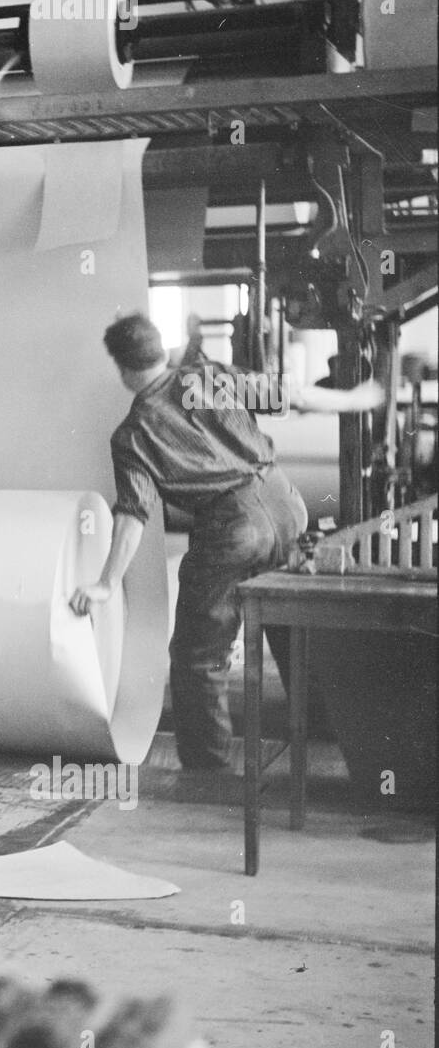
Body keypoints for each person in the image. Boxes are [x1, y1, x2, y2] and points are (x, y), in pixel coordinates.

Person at [69, 312, 384, 771]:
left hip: (234, 526)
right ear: (163, 350)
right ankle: (323, 739)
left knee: (199, 656)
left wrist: (104, 583)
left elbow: (133, 515)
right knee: (289, 623)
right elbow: (291, 393)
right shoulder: (206, 377)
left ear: (120, 369)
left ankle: (208, 772)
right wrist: (356, 399)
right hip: (286, 502)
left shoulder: (134, 434)